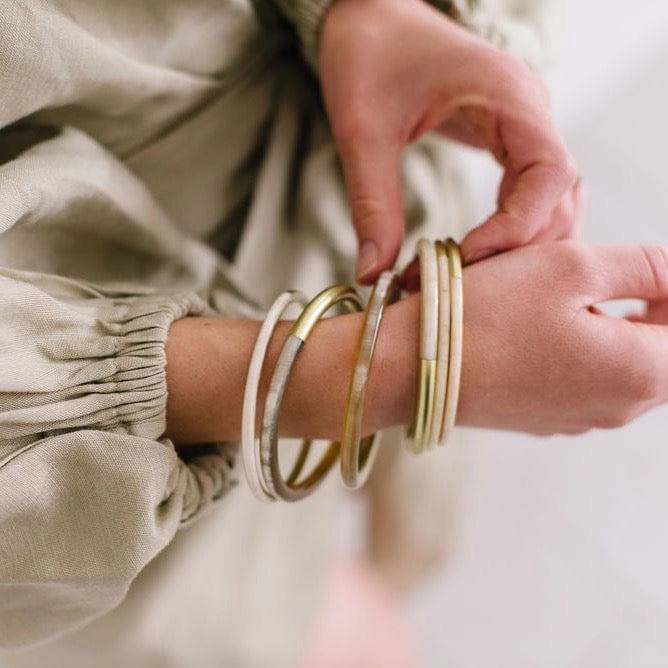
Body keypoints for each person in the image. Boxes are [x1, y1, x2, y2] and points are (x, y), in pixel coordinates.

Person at [0, 0, 666, 665]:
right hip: (109, 485)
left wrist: (369, 13)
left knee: (379, 580)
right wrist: (388, 367)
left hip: (350, 242)